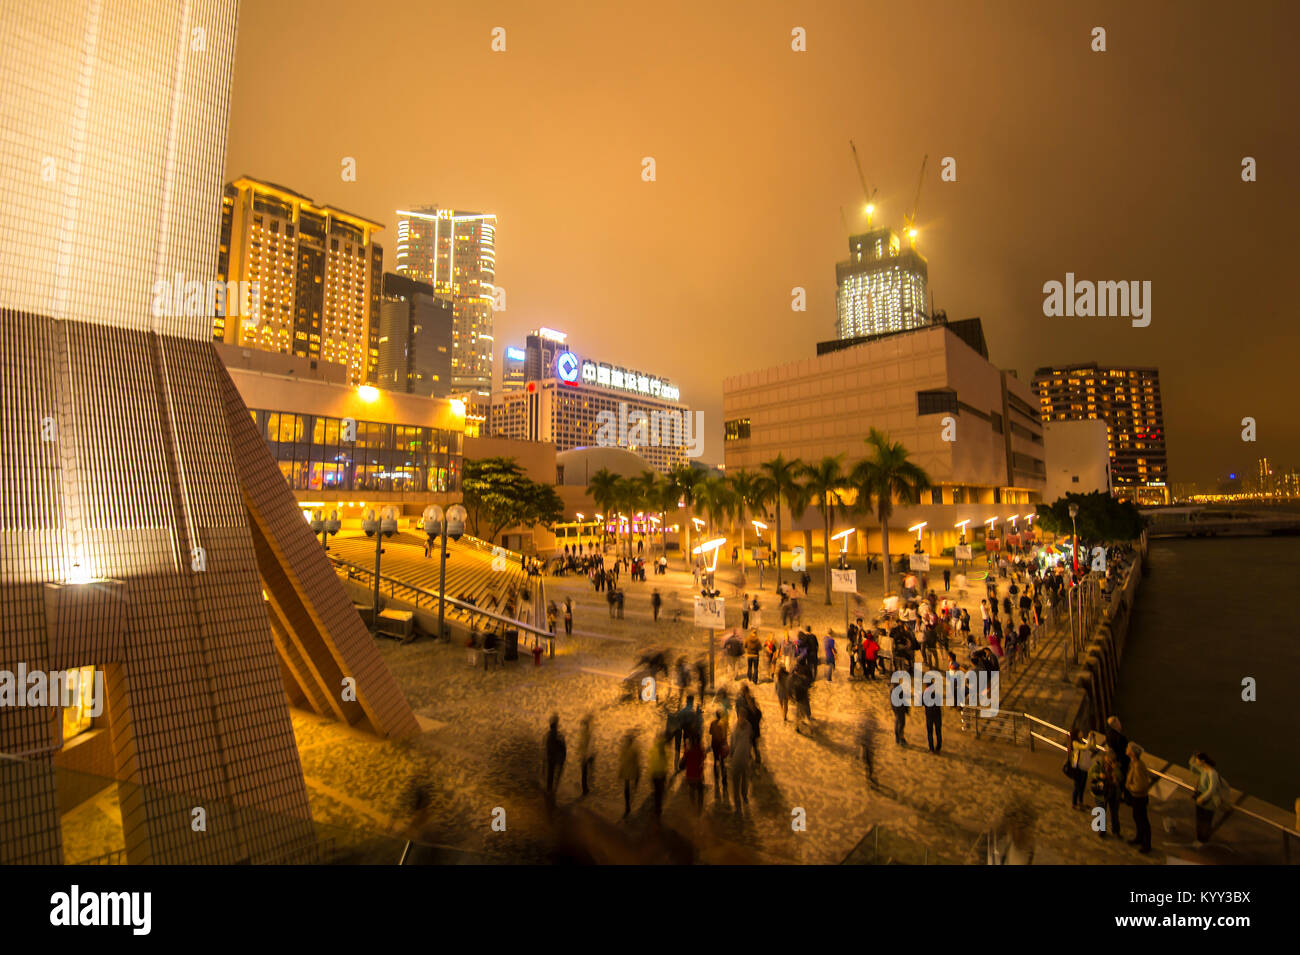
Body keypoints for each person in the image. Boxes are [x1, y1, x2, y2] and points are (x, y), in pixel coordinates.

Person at [1190, 752, 1226, 845]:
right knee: (1199, 820)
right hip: (1201, 800)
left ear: (1203, 761)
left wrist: (1202, 798)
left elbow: (1212, 789)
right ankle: (1199, 838)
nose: (1196, 762)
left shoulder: (1212, 773)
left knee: (1206, 822)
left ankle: (1203, 840)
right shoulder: (1203, 770)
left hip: (1208, 802)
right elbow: (1193, 769)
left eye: (1197, 760)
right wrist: (1192, 759)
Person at [1087, 750, 1121, 838]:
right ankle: (1101, 830)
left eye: (1112, 759)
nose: (1110, 760)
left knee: (1114, 813)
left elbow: (1120, 777)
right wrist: (1099, 775)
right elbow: (1091, 773)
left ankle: (1116, 831)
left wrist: (1115, 770)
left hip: (1113, 792)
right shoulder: (1099, 764)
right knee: (1101, 811)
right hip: (1101, 792)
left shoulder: (1116, 766)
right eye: (1108, 758)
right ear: (1105, 757)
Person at [1126, 742, 1153, 853]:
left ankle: (1146, 845)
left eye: (1128, 748)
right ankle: (1139, 838)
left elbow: (1141, 785)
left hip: (1139, 797)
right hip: (1136, 796)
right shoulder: (1134, 763)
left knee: (1142, 820)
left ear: (1132, 753)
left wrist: (1129, 786)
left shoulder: (1138, 766)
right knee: (1137, 817)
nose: (1126, 749)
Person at [729, 714, 753, 810]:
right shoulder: (746, 728)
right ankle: (740, 797)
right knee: (740, 779)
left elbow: (733, 743)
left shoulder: (739, 729)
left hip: (741, 757)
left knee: (741, 778)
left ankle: (741, 797)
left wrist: (731, 753)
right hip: (740, 757)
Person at [617, 731, 641, 817]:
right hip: (632, 770)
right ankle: (628, 803)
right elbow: (637, 762)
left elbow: (621, 759)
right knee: (630, 786)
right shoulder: (634, 750)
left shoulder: (623, 749)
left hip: (626, 771)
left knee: (626, 788)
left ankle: (627, 805)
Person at [544, 714, 566, 799]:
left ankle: (550, 790)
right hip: (555, 757)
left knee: (551, 773)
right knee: (554, 774)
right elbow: (560, 746)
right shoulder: (557, 735)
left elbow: (548, 746)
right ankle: (552, 790)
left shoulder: (550, 734)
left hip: (551, 757)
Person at [709, 709, 729, 798]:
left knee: (715, 759)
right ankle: (724, 780)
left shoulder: (713, 723)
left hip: (714, 744)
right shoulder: (724, 723)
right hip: (721, 744)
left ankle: (716, 776)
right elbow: (725, 734)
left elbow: (710, 732)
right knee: (722, 762)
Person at [648, 732, 669, 818]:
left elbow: (651, 758)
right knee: (660, 791)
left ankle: (657, 807)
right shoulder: (665, 749)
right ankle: (658, 807)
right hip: (662, 773)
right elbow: (667, 760)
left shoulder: (653, 748)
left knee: (656, 791)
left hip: (654, 773)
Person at [577, 713, 595, 796]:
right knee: (585, 773)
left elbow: (581, 745)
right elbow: (585, 745)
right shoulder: (586, 733)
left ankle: (585, 788)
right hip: (585, 755)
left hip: (584, 755)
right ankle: (585, 789)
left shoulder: (583, 733)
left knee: (584, 772)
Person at [923, 681, 943, 753]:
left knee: (930, 732)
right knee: (938, 731)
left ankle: (931, 748)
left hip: (929, 715)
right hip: (937, 714)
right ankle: (938, 747)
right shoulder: (937, 694)